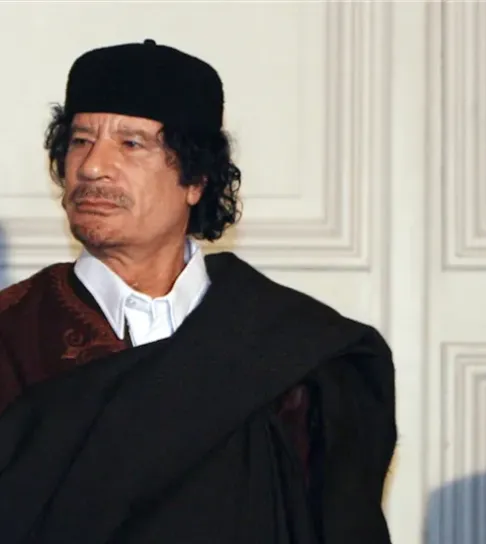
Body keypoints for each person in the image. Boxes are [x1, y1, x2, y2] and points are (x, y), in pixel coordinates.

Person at [0, 40, 396, 543]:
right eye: (80, 141)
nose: (92, 166)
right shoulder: (13, 335)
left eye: (131, 144)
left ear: (196, 179)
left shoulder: (297, 350)